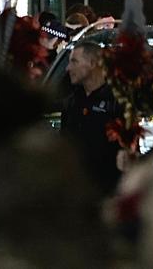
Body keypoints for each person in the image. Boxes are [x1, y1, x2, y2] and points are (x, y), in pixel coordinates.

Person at [60, 42, 120, 194]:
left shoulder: (116, 101)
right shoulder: (72, 103)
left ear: (93, 63)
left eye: (74, 61)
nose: (68, 68)